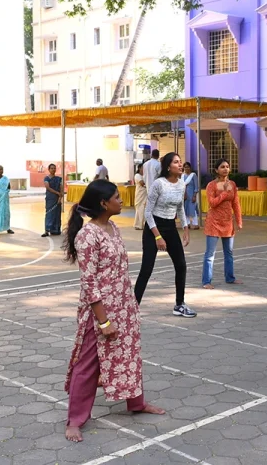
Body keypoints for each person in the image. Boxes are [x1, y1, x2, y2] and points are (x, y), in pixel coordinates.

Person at [63, 180, 165, 442]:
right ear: (103, 203)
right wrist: (104, 321)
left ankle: (136, 403)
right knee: (88, 364)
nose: (121, 201)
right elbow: (89, 282)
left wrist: (128, 306)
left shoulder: (113, 228)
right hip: (100, 311)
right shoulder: (87, 236)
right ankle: (75, 420)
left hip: (124, 305)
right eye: (117, 197)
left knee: (130, 354)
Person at [134, 152, 195, 317]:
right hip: (153, 227)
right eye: (176, 162)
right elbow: (148, 212)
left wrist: (186, 228)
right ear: (168, 167)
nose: (180, 165)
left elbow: (180, 208)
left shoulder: (181, 184)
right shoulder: (158, 184)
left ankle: (179, 305)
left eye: (180, 162)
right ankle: (132, 308)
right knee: (146, 269)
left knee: (181, 265)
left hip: (170, 227)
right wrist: (157, 236)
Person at [202, 159, 242, 289]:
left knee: (229, 252)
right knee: (210, 254)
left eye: (227, 166)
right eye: (222, 167)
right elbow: (212, 203)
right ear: (216, 170)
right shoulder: (211, 185)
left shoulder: (232, 184)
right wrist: (224, 194)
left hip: (227, 222)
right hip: (213, 222)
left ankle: (230, 278)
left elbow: (236, 204)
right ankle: (206, 281)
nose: (225, 169)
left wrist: (239, 221)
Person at [43, 163, 63, 237]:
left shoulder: (58, 179)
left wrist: (60, 198)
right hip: (50, 199)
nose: (53, 169)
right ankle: (47, 230)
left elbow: (61, 189)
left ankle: (55, 230)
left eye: (54, 168)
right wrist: (57, 193)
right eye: (51, 168)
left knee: (57, 214)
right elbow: (48, 187)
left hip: (57, 199)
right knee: (49, 214)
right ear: (49, 169)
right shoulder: (46, 178)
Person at [182, 162, 200, 229]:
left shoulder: (193, 175)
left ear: (190, 168)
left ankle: (195, 224)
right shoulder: (182, 176)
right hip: (184, 195)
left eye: (188, 167)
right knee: (185, 209)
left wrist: (194, 196)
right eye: (185, 167)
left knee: (193, 209)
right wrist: (183, 194)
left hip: (192, 195)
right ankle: (187, 224)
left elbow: (196, 187)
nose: (186, 168)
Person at [134, 163, 147, 230]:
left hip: (145, 194)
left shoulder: (145, 175)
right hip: (140, 195)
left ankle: (143, 224)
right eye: (142, 168)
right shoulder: (137, 175)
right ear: (139, 168)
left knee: (144, 209)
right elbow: (142, 183)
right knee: (140, 209)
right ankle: (138, 225)